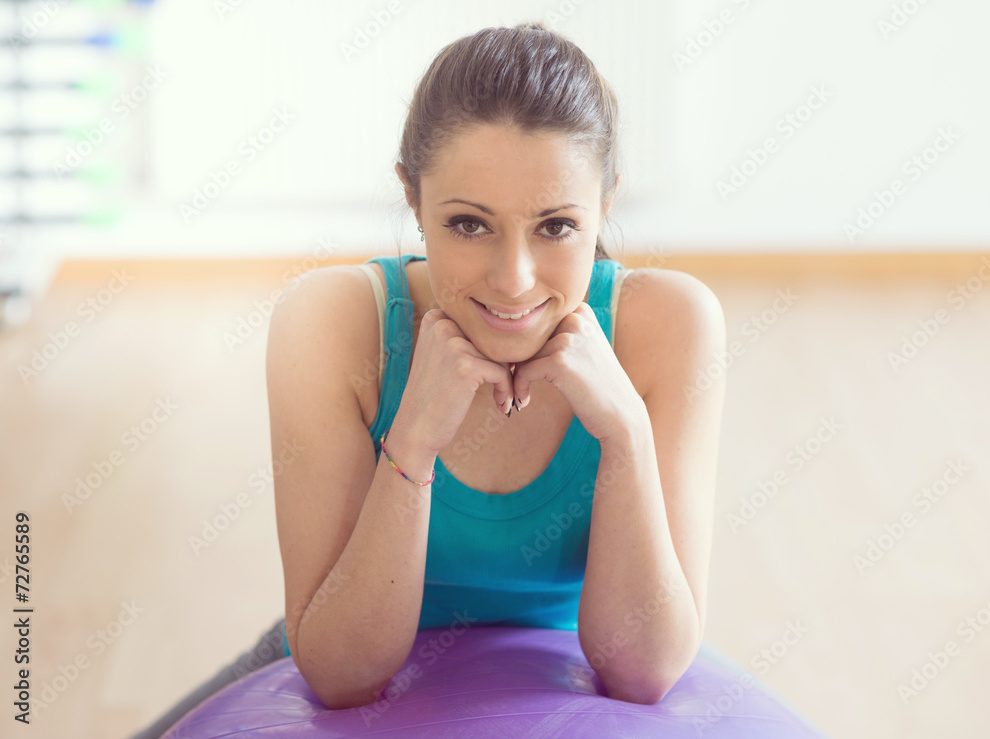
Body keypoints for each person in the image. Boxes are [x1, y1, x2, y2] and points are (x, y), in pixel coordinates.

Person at [130, 20, 725, 737]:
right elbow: (343, 676)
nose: (514, 280)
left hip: (564, 683)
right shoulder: (330, 322)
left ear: (605, 204)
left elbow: (643, 670)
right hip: (328, 661)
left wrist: (624, 434)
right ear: (412, 198)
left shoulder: (672, 325)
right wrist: (411, 444)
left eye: (557, 226)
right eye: (470, 224)